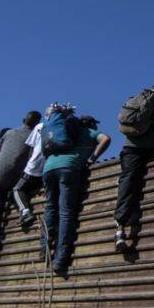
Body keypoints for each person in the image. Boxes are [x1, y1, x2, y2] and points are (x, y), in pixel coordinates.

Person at [114, 70, 154, 250]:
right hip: (150, 143)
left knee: (127, 183)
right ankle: (122, 226)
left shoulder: (147, 92)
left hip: (129, 145)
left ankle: (120, 228)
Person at [42, 115, 110, 275]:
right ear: (91, 124)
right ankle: (60, 259)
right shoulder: (89, 132)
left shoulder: (65, 133)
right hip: (68, 168)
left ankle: (43, 248)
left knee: (50, 208)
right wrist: (93, 158)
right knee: (65, 213)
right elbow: (106, 139)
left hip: (49, 168)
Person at [0, 111, 42, 258]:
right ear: (37, 123)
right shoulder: (34, 136)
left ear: (23, 119)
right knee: (19, 191)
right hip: (16, 176)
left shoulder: (8, 133)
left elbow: (1, 152)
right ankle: (24, 212)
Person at [13, 111, 50, 229]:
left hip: (34, 168)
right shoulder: (63, 128)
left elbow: (31, 148)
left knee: (17, 189)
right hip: (48, 169)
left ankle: (25, 212)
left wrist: (27, 165)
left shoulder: (40, 127)